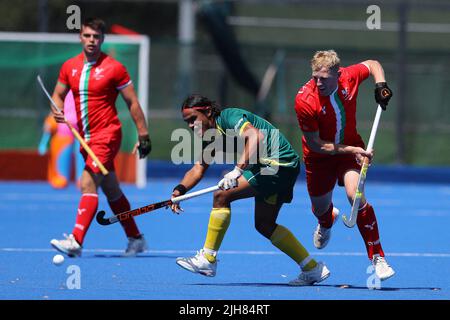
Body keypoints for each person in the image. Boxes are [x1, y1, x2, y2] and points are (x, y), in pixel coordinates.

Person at [170, 94, 330, 286]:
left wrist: (237, 171)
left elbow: (255, 135)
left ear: (208, 112)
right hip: (273, 167)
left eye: (193, 119)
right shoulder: (210, 137)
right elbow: (198, 168)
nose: (190, 125)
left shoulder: (230, 117)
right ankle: (312, 268)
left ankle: (208, 259)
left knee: (221, 196)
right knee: (264, 224)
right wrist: (180, 190)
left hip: (277, 163)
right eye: (187, 122)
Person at [49, 18, 152, 257]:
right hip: (86, 137)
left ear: (102, 40)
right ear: (81, 38)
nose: (91, 41)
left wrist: (144, 135)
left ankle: (75, 241)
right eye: (87, 36)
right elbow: (58, 94)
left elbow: (132, 102)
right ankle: (136, 238)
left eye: (96, 37)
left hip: (107, 134)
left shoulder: (114, 68)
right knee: (112, 190)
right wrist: (56, 111)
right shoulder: (69, 66)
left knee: (87, 182)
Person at [294, 50, 395, 280]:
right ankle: (327, 220)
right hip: (319, 156)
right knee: (320, 208)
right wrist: (354, 150)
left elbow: (372, 63)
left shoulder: (348, 77)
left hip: (349, 150)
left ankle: (377, 257)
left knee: (355, 196)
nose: (318, 83)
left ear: (337, 75)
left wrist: (381, 85)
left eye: (324, 78)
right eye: (315, 77)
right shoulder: (304, 101)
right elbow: (316, 144)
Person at [38, 91, 84, 189]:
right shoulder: (63, 86)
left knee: (83, 151)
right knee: (63, 148)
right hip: (64, 127)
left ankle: (83, 178)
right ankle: (61, 176)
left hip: (83, 125)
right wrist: (50, 119)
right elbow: (56, 103)